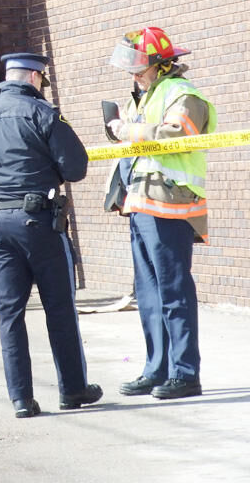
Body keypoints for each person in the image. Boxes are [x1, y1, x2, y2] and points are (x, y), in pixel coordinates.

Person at [0, 52, 102, 418]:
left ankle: (21, 399)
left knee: (10, 314)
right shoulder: (44, 114)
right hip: (38, 223)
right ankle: (72, 390)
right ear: (35, 78)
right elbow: (75, 168)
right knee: (59, 308)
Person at [106, 27, 217, 400]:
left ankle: (185, 374)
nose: (134, 77)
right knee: (150, 295)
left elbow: (174, 134)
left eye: (140, 70)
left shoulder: (183, 95)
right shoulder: (146, 95)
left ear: (162, 65)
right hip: (141, 205)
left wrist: (127, 129)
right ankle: (157, 370)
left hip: (170, 206)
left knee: (173, 292)